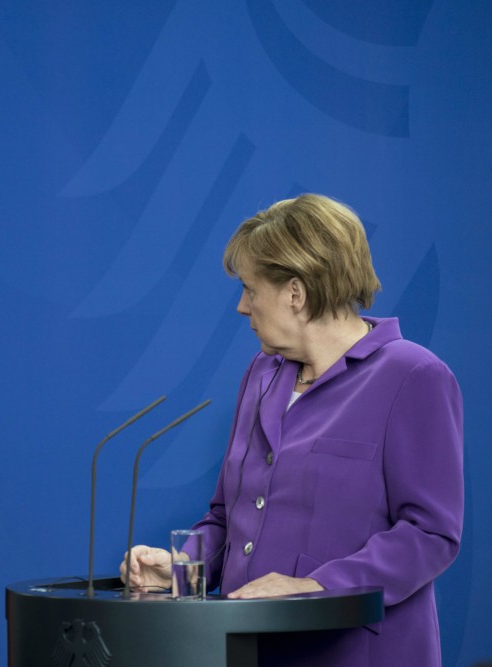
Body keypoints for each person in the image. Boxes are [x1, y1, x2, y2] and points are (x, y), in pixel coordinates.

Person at [121, 194, 463, 666]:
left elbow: (430, 533)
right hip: (251, 649)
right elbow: (228, 517)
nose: (242, 307)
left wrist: (317, 586)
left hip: (355, 653)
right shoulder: (261, 374)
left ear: (295, 292)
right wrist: (183, 567)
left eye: (250, 289)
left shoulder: (413, 376)